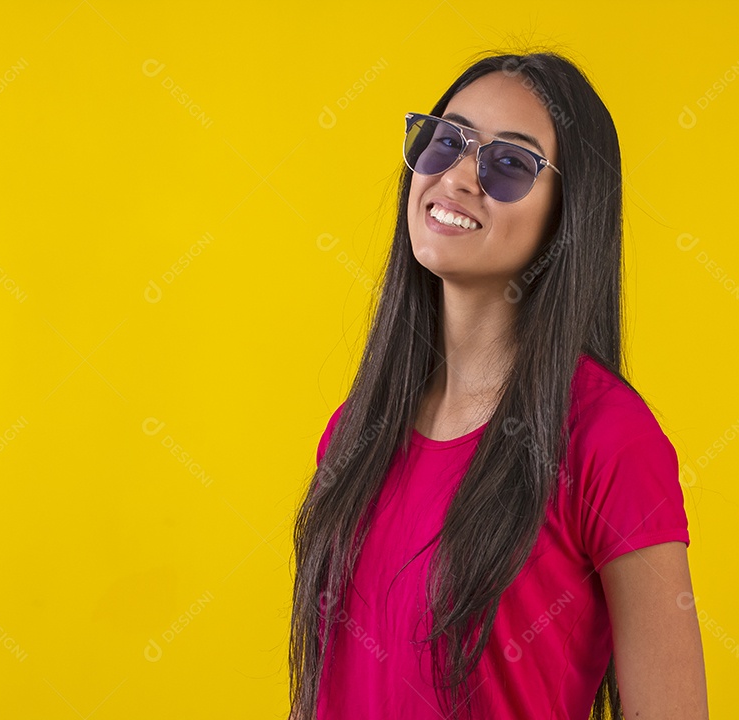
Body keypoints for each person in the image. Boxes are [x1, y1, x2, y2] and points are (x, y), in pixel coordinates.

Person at [289, 50, 708, 720]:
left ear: (565, 219)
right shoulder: (356, 429)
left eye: (509, 164)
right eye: (445, 141)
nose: (457, 176)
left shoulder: (607, 438)